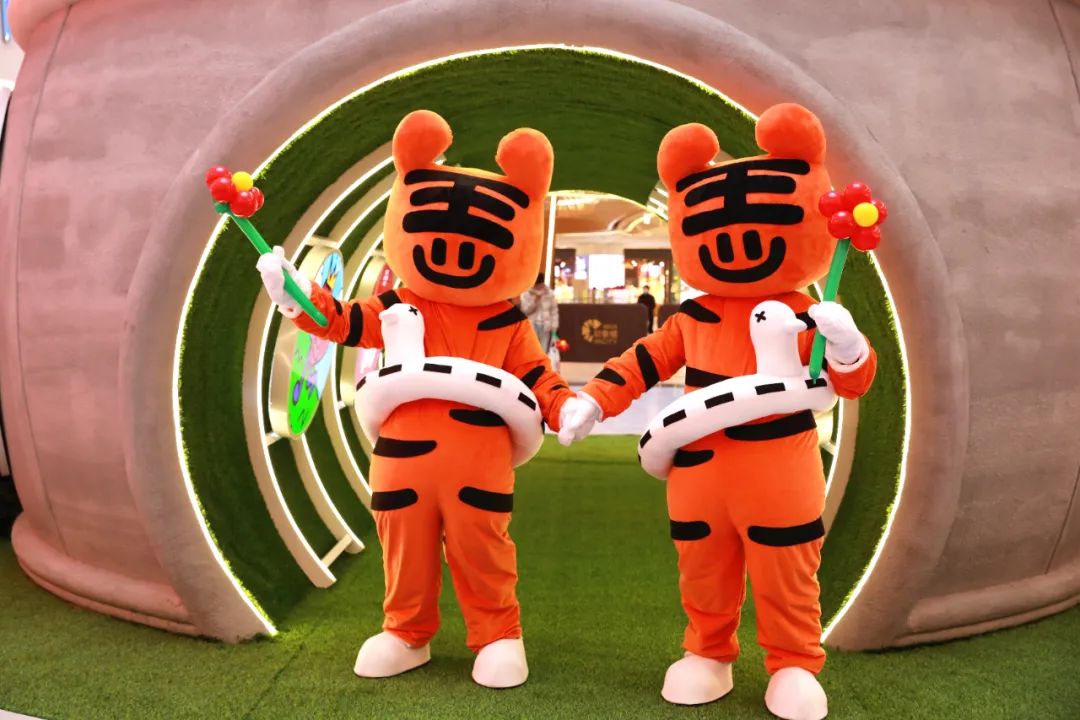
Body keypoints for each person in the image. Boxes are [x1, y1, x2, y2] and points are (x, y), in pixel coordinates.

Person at [559, 104, 877, 720]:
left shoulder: (805, 313)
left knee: (787, 569)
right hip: (698, 471)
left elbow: (851, 381)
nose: (737, 244)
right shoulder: (692, 318)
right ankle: (708, 652)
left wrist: (845, 344)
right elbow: (643, 360)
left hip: (780, 466)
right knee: (703, 568)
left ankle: (793, 662)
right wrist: (593, 400)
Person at [519, 274, 559, 352]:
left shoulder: (549, 293)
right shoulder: (526, 293)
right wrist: (534, 301)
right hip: (532, 326)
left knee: (544, 350)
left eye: (541, 285)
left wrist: (554, 327)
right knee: (532, 350)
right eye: (538, 286)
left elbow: (554, 311)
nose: (540, 288)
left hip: (546, 326)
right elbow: (524, 310)